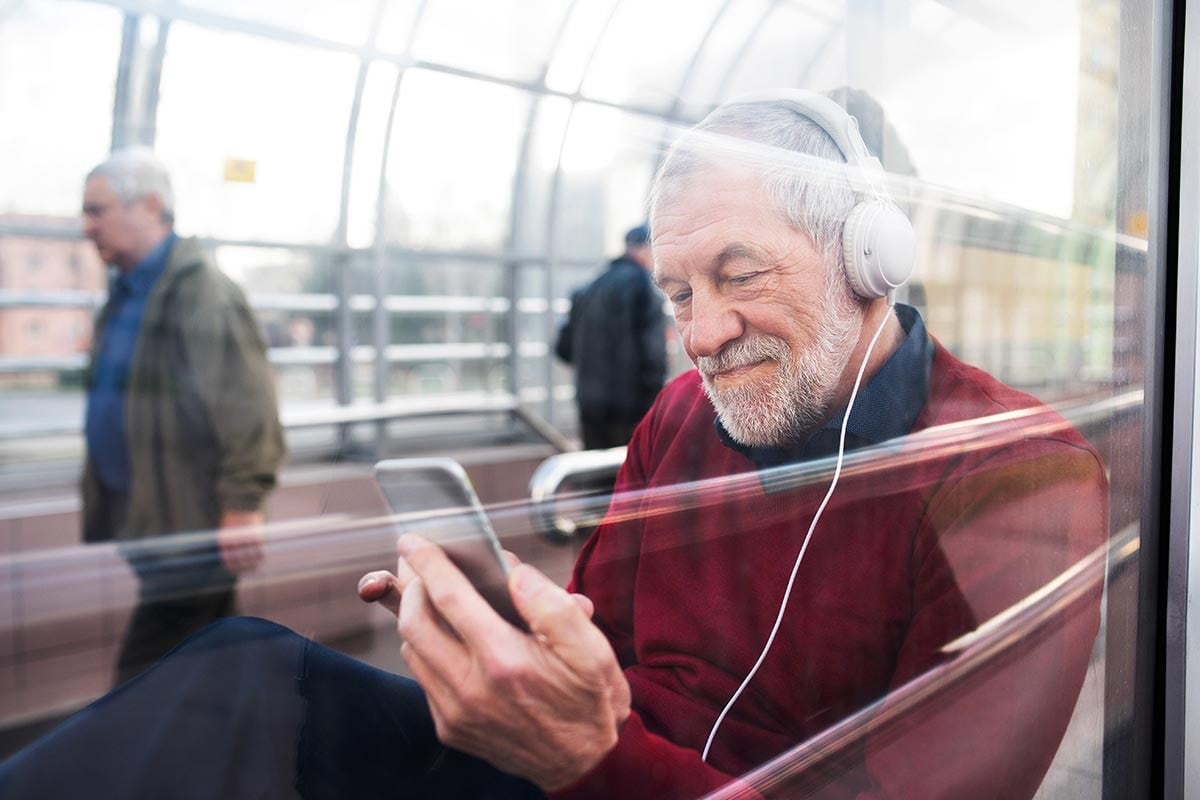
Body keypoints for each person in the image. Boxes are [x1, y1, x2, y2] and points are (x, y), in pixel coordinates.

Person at [1, 91, 1105, 799]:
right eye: (676, 290)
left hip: (613, 780)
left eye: (739, 273)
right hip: (573, 771)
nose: (700, 333)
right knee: (243, 671)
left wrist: (591, 757)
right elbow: (605, 638)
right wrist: (506, 634)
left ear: (873, 255)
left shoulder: (1014, 471)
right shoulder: (682, 419)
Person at [78, 147, 286, 684]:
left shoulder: (202, 294)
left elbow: (248, 402)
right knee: (208, 661)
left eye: (97, 209)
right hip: (151, 519)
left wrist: (242, 506)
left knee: (141, 677)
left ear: (149, 205)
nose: (87, 226)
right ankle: (254, 739)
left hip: (189, 524)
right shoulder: (126, 295)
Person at [555, 224, 667, 449]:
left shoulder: (589, 286)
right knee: (630, 476)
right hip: (631, 409)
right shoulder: (643, 288)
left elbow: (563, 349)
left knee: (597, 477)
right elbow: (653, 355)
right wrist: (654, 406)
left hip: (588, 405)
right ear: (646, 250)